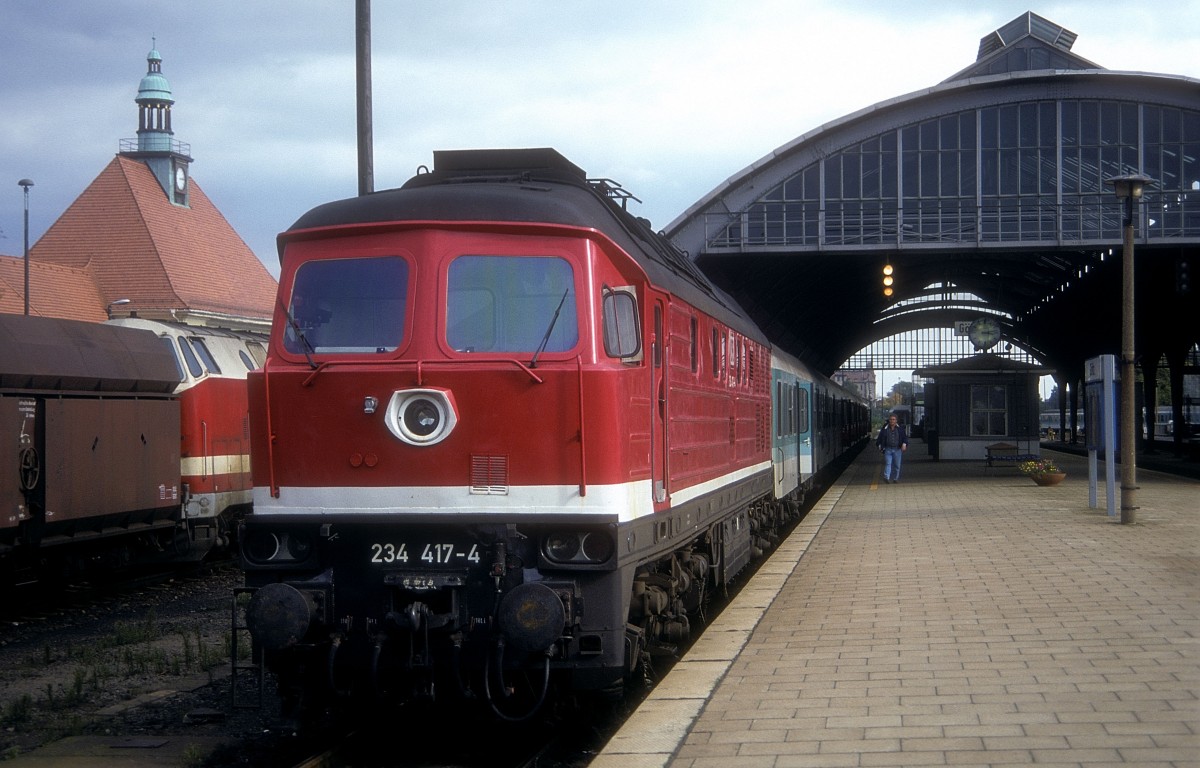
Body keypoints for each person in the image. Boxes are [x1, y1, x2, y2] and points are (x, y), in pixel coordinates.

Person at [876, 414, 909, 484]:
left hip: (897, 449)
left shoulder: (900, 429)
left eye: (893, 419)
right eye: (891, 419)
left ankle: (895, 478)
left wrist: (904, 444)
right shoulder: (885, 429)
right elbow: (880, 438)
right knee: (888, 463)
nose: (892, 421)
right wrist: (879, 445)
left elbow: (905, 438)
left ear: (896, 421)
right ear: (889, 420)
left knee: (897, 465)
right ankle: (886, 477)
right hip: (888, 449)